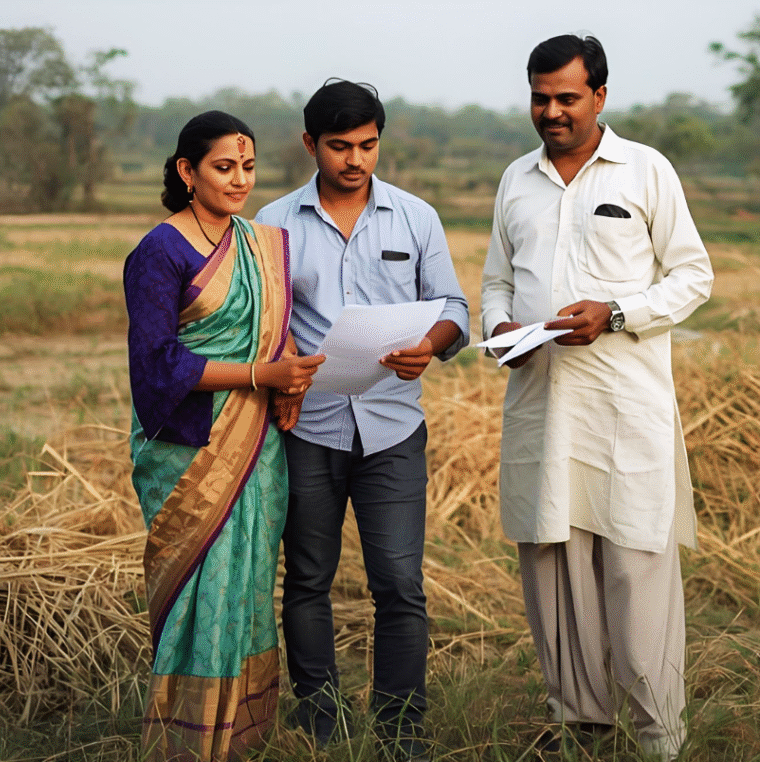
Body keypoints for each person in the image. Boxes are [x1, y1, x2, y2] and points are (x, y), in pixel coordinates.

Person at [480, 35, 713, 761]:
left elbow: (692, 276)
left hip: (625, 414)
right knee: (553, 574)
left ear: (600, 97)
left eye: (566, 97)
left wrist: (614, 313)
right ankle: (580, 731)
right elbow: (494, 282)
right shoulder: (516, 179)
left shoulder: (645, 170)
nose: (551, 111)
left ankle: (659, 739)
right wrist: (499, 328)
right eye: (540, 97)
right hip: (543, 411)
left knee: (637, 578)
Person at [255, 80, 470, 761]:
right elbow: (261, 324)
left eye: (368, 145)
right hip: (307, 429)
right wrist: (281, 359)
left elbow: (454, 308)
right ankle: (320, 722)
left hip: (393, 427)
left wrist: (429, 347)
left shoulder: (416, 217)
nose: (355, 160)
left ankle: (402, 730)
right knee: (308, 579)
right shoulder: (272, 223)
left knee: (400, 585)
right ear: (310, 144)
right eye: (340, 147)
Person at [124, 111, 325, 761]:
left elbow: (274, 325)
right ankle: (188, 741)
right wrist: (260, 374)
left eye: (248, 167)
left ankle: (243, 734)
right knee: (201, 589)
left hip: (258, 447)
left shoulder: (259, 243)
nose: (240, 180)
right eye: (223, 167)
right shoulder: (159, 251)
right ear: (187, 171)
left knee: (246, 583)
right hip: (191, 450)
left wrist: (288, 377)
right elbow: (158, 367)